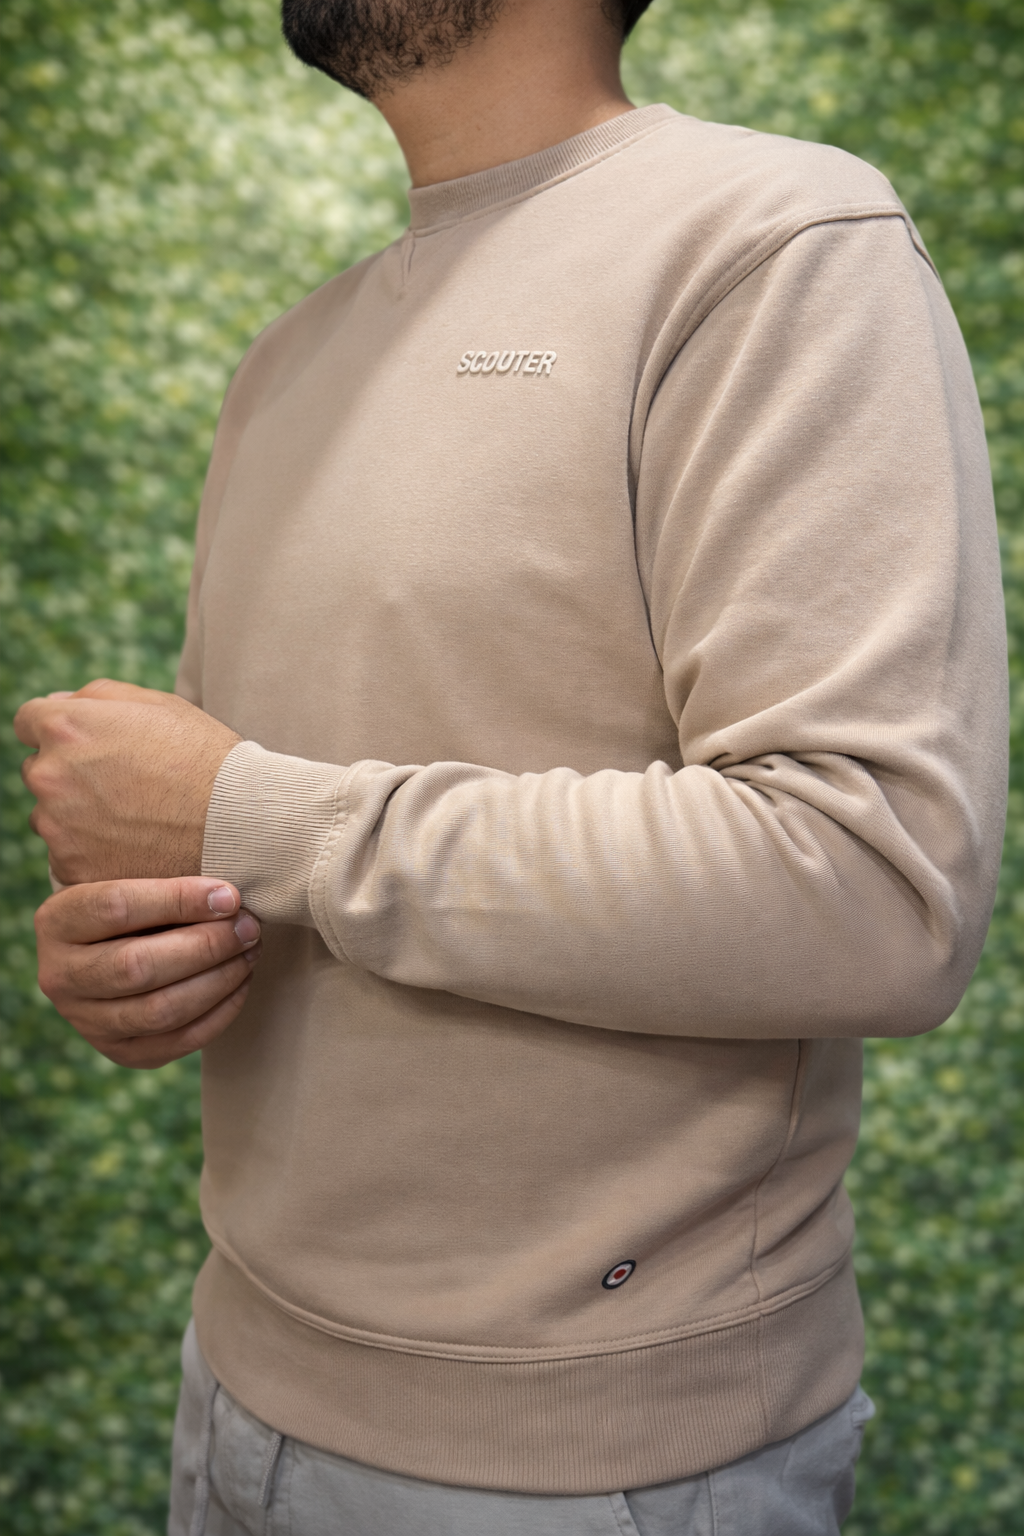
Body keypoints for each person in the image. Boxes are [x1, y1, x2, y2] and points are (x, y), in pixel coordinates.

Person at [14, 0, 1009, 1530]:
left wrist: (248, 817)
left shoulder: (778, 239)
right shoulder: (288, 362)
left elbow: (875, 888)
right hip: (234, 1388)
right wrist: (146, 950)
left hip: (597, 1469)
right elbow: (248, 862)